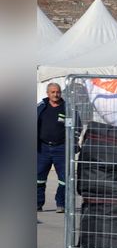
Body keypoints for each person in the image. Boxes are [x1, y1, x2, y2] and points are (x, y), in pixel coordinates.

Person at [37, 82, 67, 213]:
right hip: (42, 148)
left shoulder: (68, 108)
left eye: (58, 92)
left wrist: (74, 144)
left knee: (64, 179)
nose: (56, 94)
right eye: (53, 92)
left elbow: (77, 127)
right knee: (38, 178)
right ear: (47, 93)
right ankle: (37, 203)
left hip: (61, 149)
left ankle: (61, 204)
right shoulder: (40, 107)